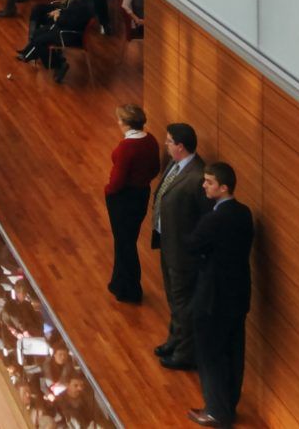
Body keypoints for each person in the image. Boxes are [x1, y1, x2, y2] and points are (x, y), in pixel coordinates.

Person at [189, 162, 255, 428]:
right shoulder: (244, 213)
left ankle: (216, 410)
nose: (204, 185)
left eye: (209, 182)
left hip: (213, 299)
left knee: (211, 355)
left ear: (223, 187)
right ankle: (228, 406)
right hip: (238, 295)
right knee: (234, 353)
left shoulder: (213, 220)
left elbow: (193, 246)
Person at [151, 123, 209, 371]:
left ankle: (186, 352)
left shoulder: (197, 177)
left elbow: (203, 219)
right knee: (174, 298)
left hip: (183, 253)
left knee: (183, 302)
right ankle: (174, 339)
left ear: (180, 146)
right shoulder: (176, 166)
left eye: (169, 141)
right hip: (168, 244)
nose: (166, 145)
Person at [105, 104, 162, 304]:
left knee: (124, 243)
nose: (118, 122)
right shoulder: (151, 140)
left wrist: (109, 190)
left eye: (120, 119)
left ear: (126, 123)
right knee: (127, 240)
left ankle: (130, 288)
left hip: (123, 199)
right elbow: (155, 168)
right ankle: (119, 282)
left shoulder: (126, 147)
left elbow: (117, 180)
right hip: (140, 195)